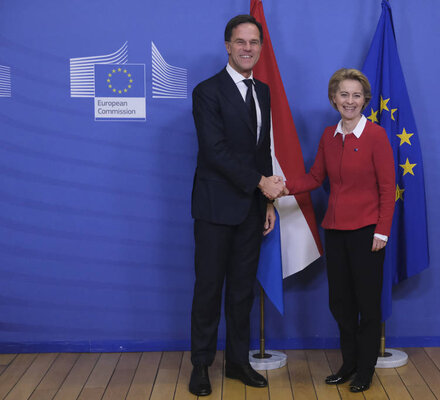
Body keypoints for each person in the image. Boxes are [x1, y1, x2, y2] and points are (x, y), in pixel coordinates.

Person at [188, 14, 284, 397]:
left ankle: (238, 362)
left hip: (250, 209)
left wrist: (267, 203)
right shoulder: (206, 91)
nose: (248, 48)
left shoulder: (262, 91)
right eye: (241, 42)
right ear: (227, 46)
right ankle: (200, 365)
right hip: (214, 209)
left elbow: (262, 152)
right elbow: (214, 152)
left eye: (254, 42)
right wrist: (261, 183)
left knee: (242, 290)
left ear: (260, 48)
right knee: (209, 289)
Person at [283, 68, 395, 392]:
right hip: (335, 230)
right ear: (334, 98)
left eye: (356, 95)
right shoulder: (328, 137)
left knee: (367, 305)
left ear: (365, 100)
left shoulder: (376, 136)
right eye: (344, 94)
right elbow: (315, 178)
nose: (350, 100)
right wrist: (283, 187)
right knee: (340, 303)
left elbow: (388, 188)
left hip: (368, 232)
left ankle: (365, 368)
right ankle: (348, 363)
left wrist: (382, 232)